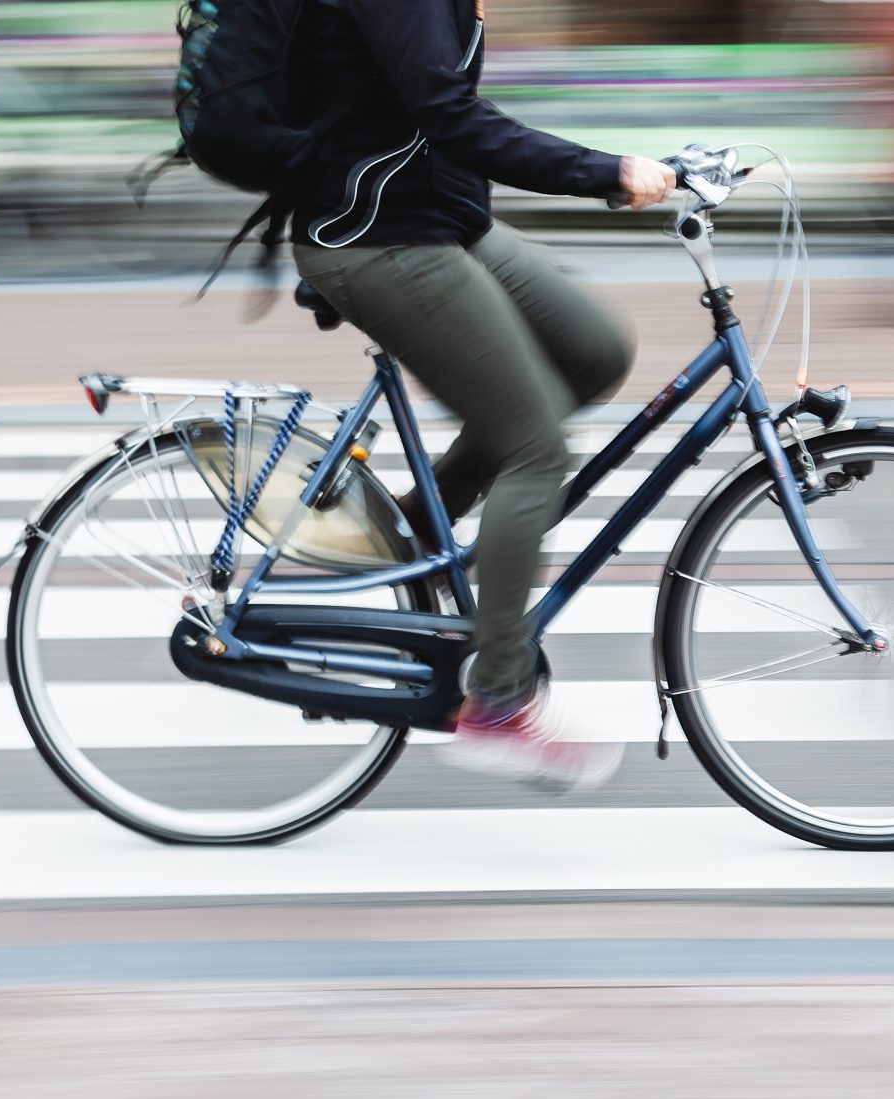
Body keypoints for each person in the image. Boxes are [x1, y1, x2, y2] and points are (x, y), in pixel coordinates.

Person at [286, 0, 675, 788]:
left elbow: (432, 114)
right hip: (376, 237)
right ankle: (497, 699)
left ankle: (412, 528)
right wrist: (605, 170)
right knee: (536, 449)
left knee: (595, 351)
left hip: (440, 219)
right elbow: (449, 114)